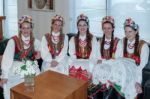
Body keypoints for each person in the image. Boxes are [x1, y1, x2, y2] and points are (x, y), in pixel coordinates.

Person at [92, 17, 149, 99]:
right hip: (121, 68)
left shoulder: (143, 45)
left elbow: (141, 67)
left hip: (133, 71)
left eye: (130, 31)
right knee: (104, 70)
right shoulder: (122, 41)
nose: (127, 34)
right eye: (125, 31)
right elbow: (117, 60)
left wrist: (138, 81)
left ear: (136, 31)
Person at [0, 15, 41, 99]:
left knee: (37, 77)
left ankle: (29, 95)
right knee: (28, 73)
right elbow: (6, 59)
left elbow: (43, 51)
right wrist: (4, 76)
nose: (25, 30)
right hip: (16, 66)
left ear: (31, 28)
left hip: (30, 66)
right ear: (20, 28)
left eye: (28, 28)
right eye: (23, 28)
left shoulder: (35, 41)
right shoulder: (13, 41)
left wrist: (39, 55)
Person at [92, 16, 123, 98]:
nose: (106, 30)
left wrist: (103, 61)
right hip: (101, 68)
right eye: (104, 28)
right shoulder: (100, 41)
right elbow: (97, 58)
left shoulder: (118, 42)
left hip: (113, 69)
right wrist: (103, 61)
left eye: (109, 28)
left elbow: (117, 60)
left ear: (113, 29)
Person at [68, 14, 97, 81]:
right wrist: (70, 67)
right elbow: (72, 55)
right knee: (72, 79)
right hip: (76, 62)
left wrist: (90, 70)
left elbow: (93, 56)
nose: (82, 27)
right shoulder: (73, 39)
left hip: (89, 63)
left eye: (84, 25)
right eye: (80, 25)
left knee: (83, 79)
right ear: (77, 27)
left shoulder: (93, 39)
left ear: (88, 26)